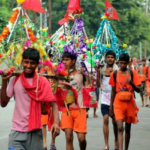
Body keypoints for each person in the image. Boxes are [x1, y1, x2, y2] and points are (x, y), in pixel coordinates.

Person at [1, 48, 60, 150]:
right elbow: (3, 103)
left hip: (35, 133)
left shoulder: (42, 82)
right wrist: (4, 82)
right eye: (26, 62)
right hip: (16, 133)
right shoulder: (15, 79)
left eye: (32, 63)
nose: (28, 66)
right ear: (22, 61)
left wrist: (56, 123)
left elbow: (53, 104)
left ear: (37, 64)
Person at [109, 53, 141, 150]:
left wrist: (131, 83)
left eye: (125, 63)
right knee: (119, 127)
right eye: (121, 63)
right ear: (118, 62)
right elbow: (113, 91)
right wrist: (111, 107)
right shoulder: (114, 74)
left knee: (127, 128)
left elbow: (139, 90)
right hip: (118, 102)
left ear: (128, 63)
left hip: (129, 102)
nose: (122, 65)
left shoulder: (133, 73)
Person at [59, 51, 88, 150]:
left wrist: (87, 75)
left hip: (80, 108)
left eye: (67, 60)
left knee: (81, 138)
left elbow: (82, 85)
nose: (65, 62)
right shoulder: (60, 74)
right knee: (68, 137)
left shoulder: (80, 74)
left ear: (73, 61)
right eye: (63, 60)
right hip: (66, 109)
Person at [96, 50, 119, 150]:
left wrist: (113, 74)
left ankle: (116, 141)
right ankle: (106, 144)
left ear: (115, 59)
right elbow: (97, 85)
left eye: (112, 57)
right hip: (104, 99)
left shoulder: (117, 70)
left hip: (115, 99)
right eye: (108, 57)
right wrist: (97, 72)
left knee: (114, 122)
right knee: (105, 119)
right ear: (105, 58)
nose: (110, 59)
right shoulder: (102, 69)